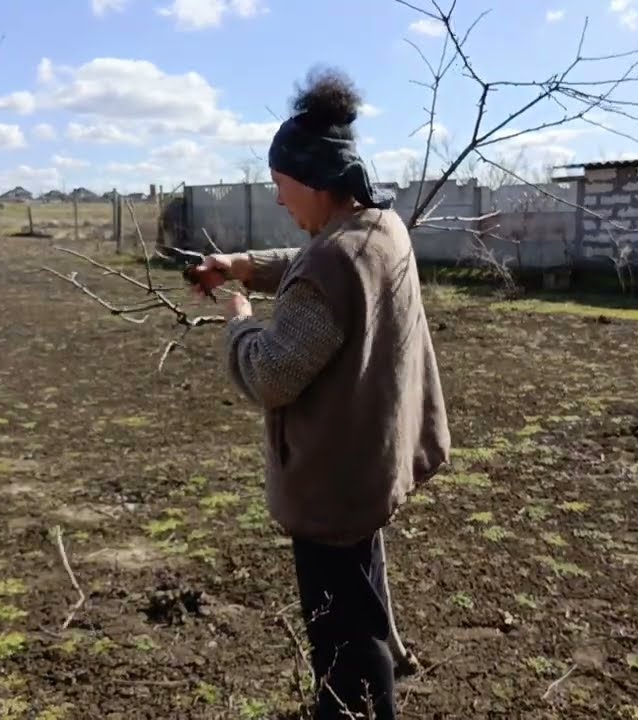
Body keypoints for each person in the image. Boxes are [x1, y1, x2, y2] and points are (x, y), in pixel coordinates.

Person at [189, 67, 451, 720]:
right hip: (367, 470)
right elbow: (321, 262)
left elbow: (273, 374)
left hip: (330, 490)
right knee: (363, 604)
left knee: (342, 642)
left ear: (314, 183)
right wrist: (247, 263)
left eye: (282, 188)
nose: (280, 202)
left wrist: (239, 324)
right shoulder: (381, 230)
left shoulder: (334, 261)